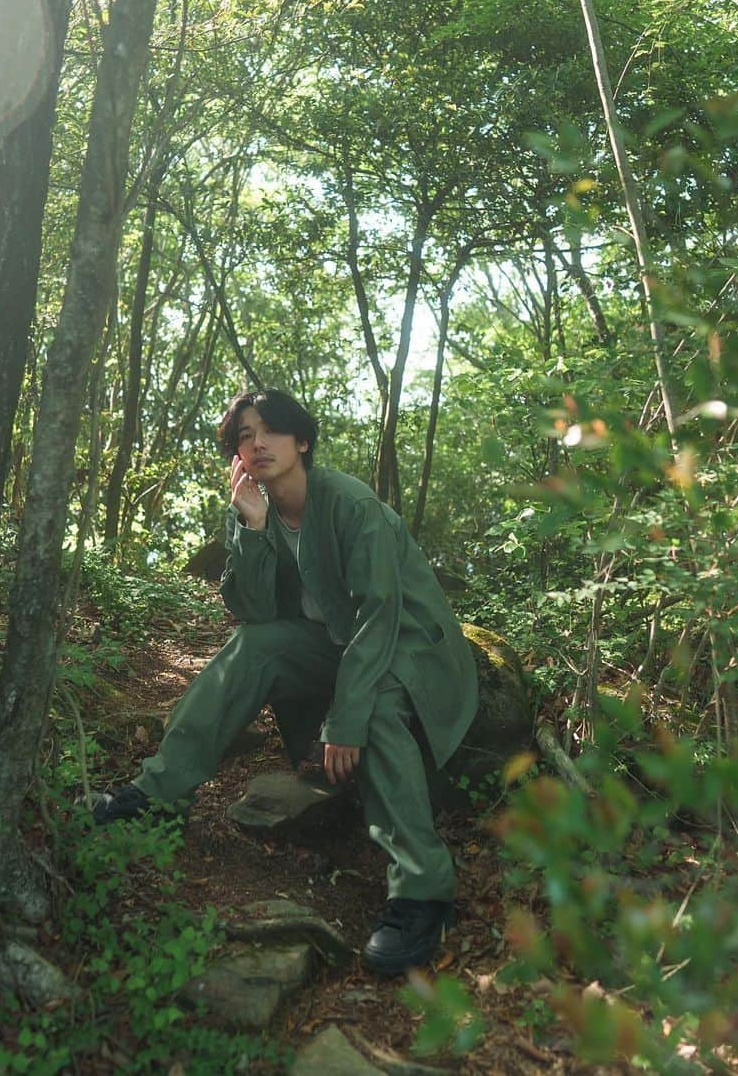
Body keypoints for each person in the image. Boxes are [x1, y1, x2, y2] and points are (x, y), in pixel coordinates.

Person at [95, 387, 479, 974]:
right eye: (245, 435)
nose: (257, 443)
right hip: (334, 646)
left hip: (408, 649)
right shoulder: (254, 508)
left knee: (373, 713)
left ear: (302, 440)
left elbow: (379, 620)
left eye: (270, 429)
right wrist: (249, 529)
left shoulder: (350, 505)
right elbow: (251, 613)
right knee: (254, 647)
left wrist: (345, 720)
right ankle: (158, 795)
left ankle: (423, 892)